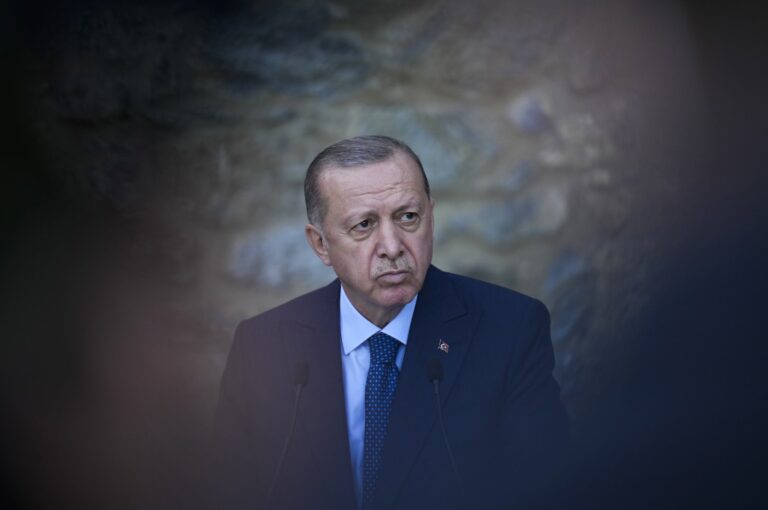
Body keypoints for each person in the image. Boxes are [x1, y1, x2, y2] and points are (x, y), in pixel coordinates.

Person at [212, 135, 567, 510]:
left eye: (408, 217)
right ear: (320, 245)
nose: (393, 246)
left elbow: (546, 491)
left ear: (431, 216)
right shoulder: (263, 347)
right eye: (364, 225)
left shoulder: (509, 330)